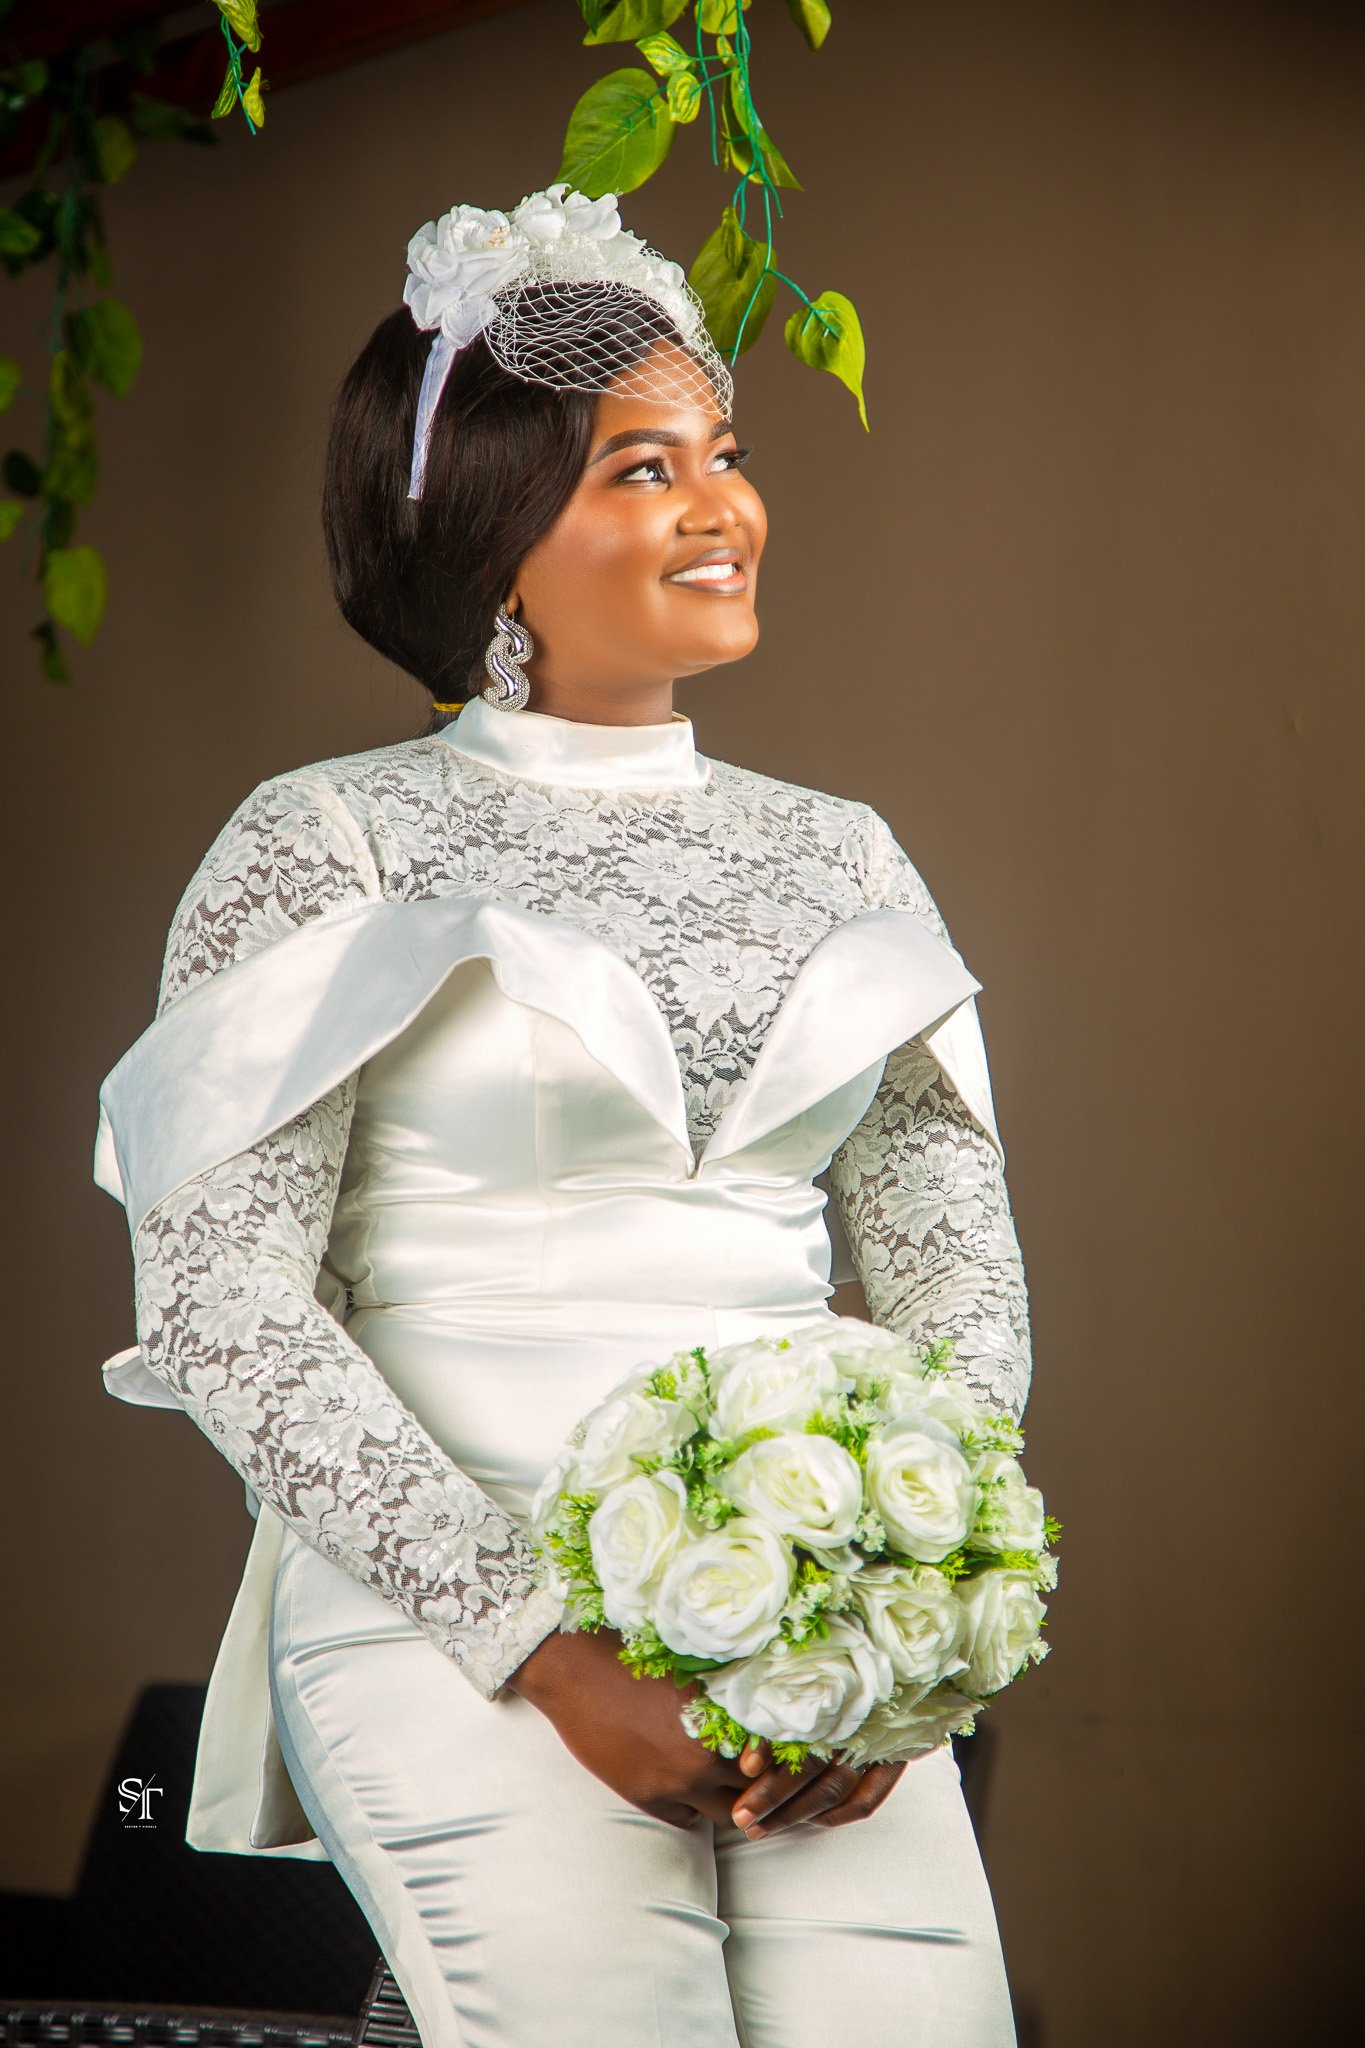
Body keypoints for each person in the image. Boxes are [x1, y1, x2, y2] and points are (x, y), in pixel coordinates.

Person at [93, 184, 1032, 2047]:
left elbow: (955, 1274)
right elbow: (224, 1304)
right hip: (458, 1619)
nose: (718, 505)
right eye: (637, 467)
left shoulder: (839, 849)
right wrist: (543, 1649)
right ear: (487, 534)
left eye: (725, 453)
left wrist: (882, 1625)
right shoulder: (328, 839)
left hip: (811, 1632)